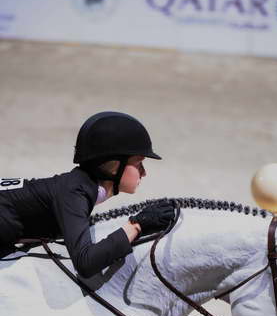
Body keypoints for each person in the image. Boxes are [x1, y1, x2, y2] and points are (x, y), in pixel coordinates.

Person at [0, 111, 175, 278]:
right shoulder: (74, 192)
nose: (144, 173)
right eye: (139, 164)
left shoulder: (78, 186)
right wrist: (135, 226)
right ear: (114, 165)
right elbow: (86, 263)